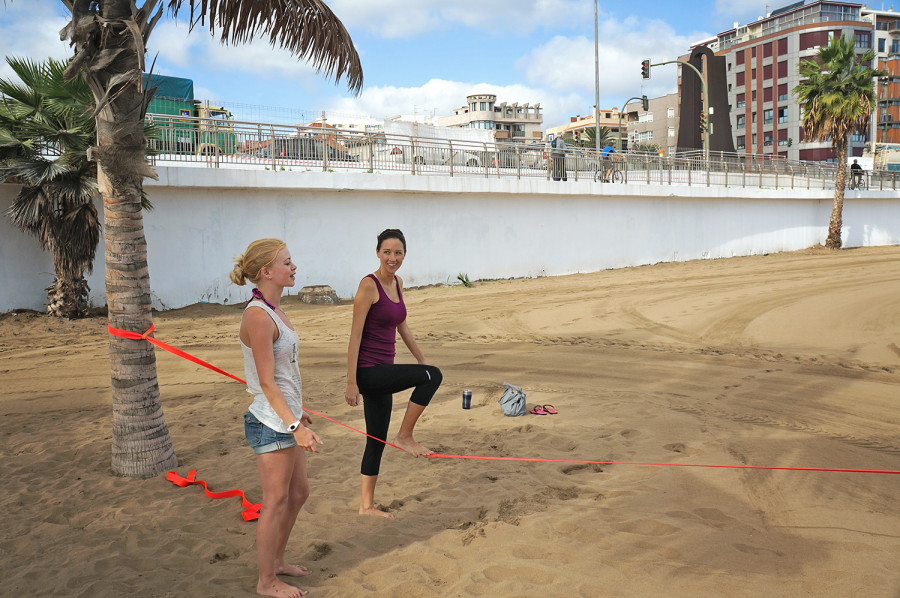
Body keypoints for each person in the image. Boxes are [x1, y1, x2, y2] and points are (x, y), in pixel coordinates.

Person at [231, 238, 322, 598]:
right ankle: (265, 581)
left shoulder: (276, 310)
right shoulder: (257, 316)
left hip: (285, 416)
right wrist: (293, 424)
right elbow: (266, 382)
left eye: (291, 260)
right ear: (266, 272)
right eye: (287, 262)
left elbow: (286, 373)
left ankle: (278, 563)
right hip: (270, 422)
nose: (294, 267)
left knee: (298, 493)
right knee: (275, 502)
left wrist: (300, 412)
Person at [345, 229, 443, 519]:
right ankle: (405, 436)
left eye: (398, 252)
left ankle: (366, 506)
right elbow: (355, 336)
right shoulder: (368, 286)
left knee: (375, 440)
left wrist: (421, 361)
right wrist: (351, 383)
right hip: (369, 372)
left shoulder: (398, 283)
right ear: (377, 253)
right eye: (387, 252)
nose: (392, 257)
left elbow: (402, 326)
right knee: (433, 377)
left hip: (383, 371)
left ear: (404, 255)